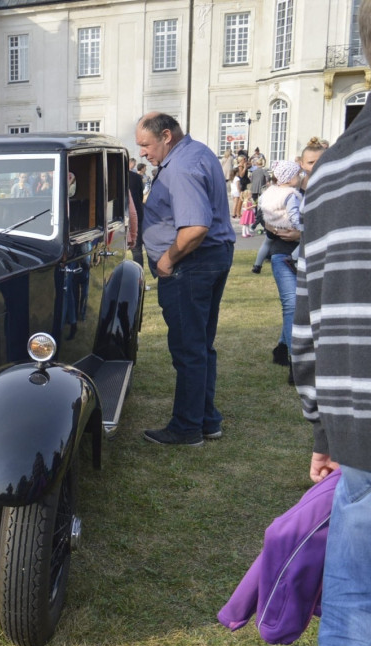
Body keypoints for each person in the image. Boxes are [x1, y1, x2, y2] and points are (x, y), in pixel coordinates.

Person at [297, 1, 371, 646]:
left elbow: (308, 325)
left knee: (352, 629)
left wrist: (324, 426)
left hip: (360, 442)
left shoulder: (335, 167)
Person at [135, 112, 235, 446]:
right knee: (201, 345)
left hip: (190, 265)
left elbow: (195, 228)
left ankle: (187, 427)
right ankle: (207, 419)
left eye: (145, 145)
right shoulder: (198, 152)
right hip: (211, 258)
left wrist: (167, 259)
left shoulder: (180, 167)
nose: (143, 153)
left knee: (189, 349)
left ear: (166, 135)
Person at [258, 160, 303, 377]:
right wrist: (274, 228)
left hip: (305, 252)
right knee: (291, 304)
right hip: (282, 253)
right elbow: (263, 219)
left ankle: (282, 348)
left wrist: (301, 234)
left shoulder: (303, 192)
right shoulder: (284, 194)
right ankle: (296, 362)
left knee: (299, 305)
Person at [127, 160, 145, 267]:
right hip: (135, 214)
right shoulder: (136, 177)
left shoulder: (113, 176)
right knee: (137, 250)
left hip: (124, 214)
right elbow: (140, 196)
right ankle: (139, 274)